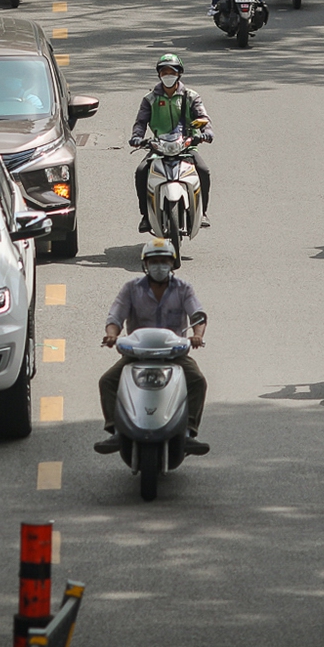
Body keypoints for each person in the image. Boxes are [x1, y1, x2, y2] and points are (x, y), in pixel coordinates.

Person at [93, 241, 210, 455]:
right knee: (108, 381)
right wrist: (112, 334)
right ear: (145, 265)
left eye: (163, 261)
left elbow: (198, 315)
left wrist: (197, 336)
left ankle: (188, 433)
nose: (159, 266)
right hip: (137, 354)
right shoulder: (131, 288)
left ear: (172, 264)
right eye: (154, 262)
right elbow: (115, 316)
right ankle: (116, 431)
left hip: (174, 355)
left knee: (197, 381)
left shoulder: (184, 289)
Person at [129, 53, 211, 232]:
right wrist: (137, 137)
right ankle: (145, 216)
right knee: (141, 171)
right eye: (164, 71)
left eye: (171, 71)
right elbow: (141, 122)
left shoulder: (191, 96)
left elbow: (203, 117)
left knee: (203, 171)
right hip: (159, 146)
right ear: (159, 74)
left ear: (179, 74)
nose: (168, 75)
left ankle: (202, 211)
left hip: (187, 145)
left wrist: (206, 132)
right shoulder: (150, 99)